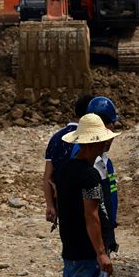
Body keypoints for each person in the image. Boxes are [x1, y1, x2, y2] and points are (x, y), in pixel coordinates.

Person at [54, 113, 120, 277]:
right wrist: (101, 252)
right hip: (86, 252)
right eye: (103, 141)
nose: (107, 145)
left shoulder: (65, 170)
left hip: (70, 249)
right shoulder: (89, 175)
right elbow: (92, 215)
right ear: (94, 144)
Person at [43, 94, 94, 224]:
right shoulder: (90, 137)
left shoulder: (55, 138)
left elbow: (47, 177)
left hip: (62, 206)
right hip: (83, 205)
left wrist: (50, 206)